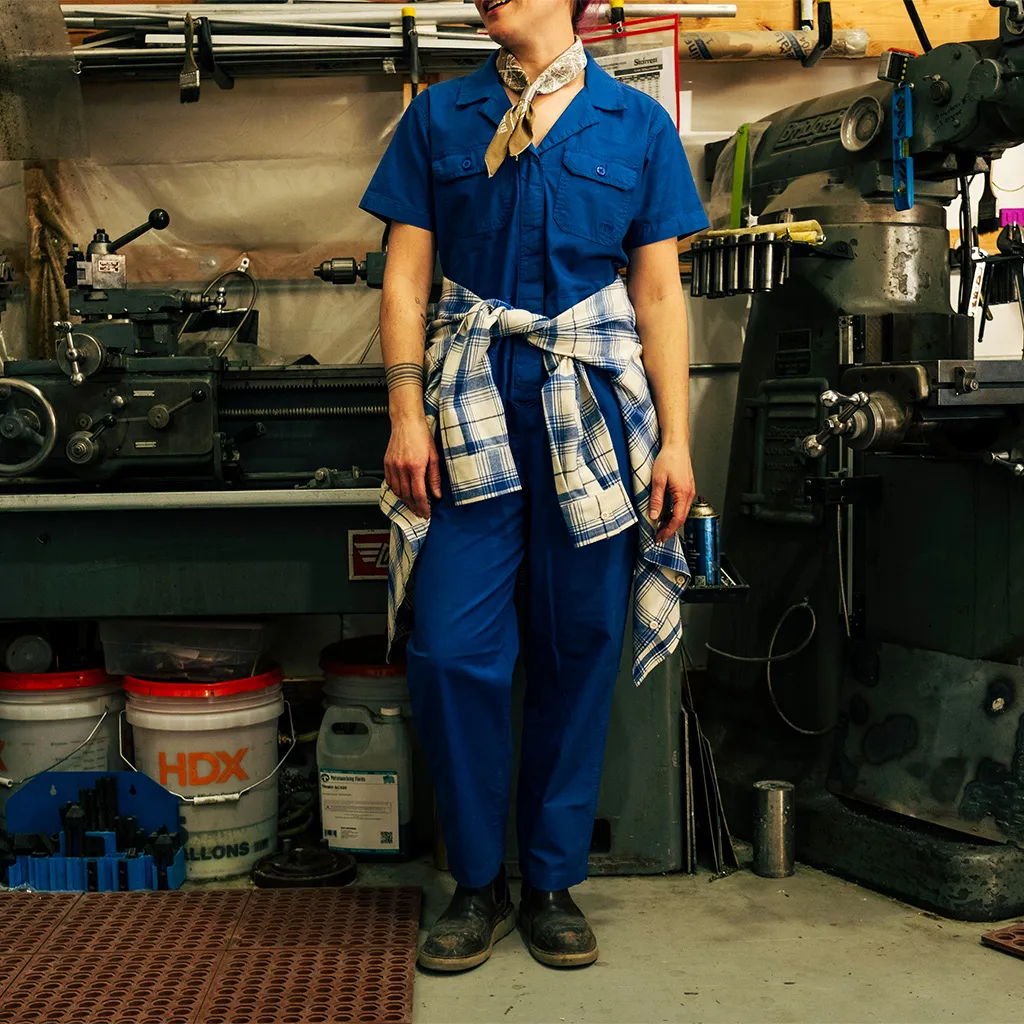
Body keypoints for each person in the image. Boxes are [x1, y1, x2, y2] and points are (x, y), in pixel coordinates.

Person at [359, 0, 708, 973]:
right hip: (470, 399)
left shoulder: (633, 125)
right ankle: (477, 879)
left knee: (579, 642)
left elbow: (658, 292)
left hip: (589, 406)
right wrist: (403, 415)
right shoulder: (439, 118)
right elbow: (404, 279)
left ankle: (550, 880)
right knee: (451, 647)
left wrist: (676, 442)